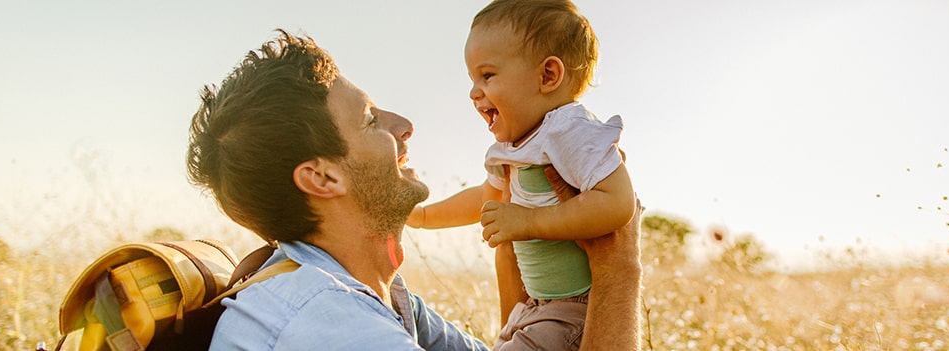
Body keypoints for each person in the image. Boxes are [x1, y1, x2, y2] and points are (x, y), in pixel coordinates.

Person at [188, 30, 641, 350]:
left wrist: (524, 279)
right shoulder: (327, 323)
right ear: (322, 178)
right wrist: (618, 266)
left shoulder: (380, 296)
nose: (404, 126)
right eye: (370, 120)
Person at [404, 1, 637, 350]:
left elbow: (618, 204)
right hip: (535, 307)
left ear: (547, 76)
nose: (473, 92)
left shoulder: (571, 130)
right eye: (472, 79)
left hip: (574, 311)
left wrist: (530, 222)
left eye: (487, 75)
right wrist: (423, 217)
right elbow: (487, 197)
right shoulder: (515, 146)